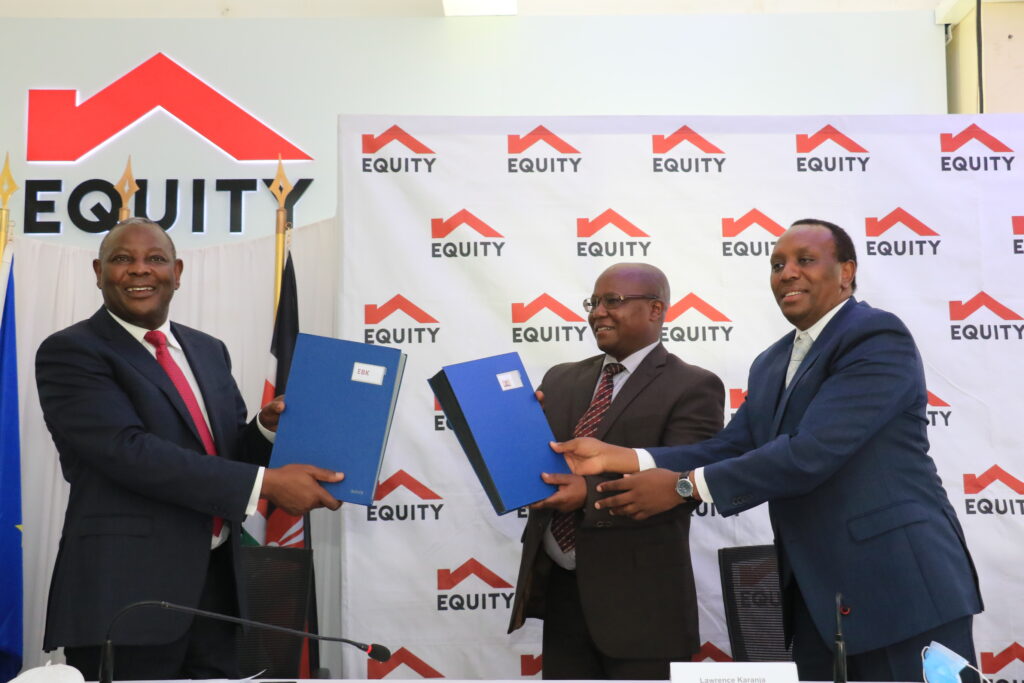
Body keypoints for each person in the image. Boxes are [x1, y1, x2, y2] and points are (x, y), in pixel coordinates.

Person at [554, 220, 983, 682]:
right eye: (777, 264)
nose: (787, 273)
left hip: (901, 591)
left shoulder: (875, 336)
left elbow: (812, 453)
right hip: (820, 601)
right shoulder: (771, 362)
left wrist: (683, 486)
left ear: (846, 272)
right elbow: (730, 446)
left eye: (804, 260)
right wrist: (620, 457)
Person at [35, 217, 344, 680]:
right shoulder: (72, 352)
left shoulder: (207, 350)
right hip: (127, 600)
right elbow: (129, 453)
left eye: (155, 259)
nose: (140, 270)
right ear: (97, 272)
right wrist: (268, 484)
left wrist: (264, 430)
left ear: (177, 272)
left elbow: (221, 453)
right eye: (122, 259)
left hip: (218, 594)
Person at [508, 263, 725, 679]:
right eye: (594, 302)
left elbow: (683, 484)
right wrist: (511, 428)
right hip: (560, 589)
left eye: (614, 301)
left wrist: (587, 494)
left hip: (642, 605)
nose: (598, 312)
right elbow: (542, 462)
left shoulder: (694, 385)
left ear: (656, 309)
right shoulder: (560, 379)